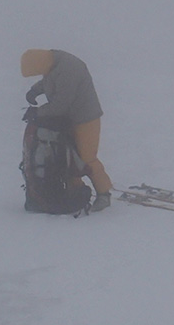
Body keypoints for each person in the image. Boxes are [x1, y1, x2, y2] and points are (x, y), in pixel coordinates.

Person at [21, 49, 113, 211]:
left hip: (85, 119)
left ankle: (104, 193)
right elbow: (50, 80)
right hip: (68, 119)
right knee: (68, 157)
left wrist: (38, 112)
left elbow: (61, 104)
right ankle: (75, 191)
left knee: (86, 158)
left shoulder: (69, 68)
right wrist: (35, 90)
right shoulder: (52, 64)